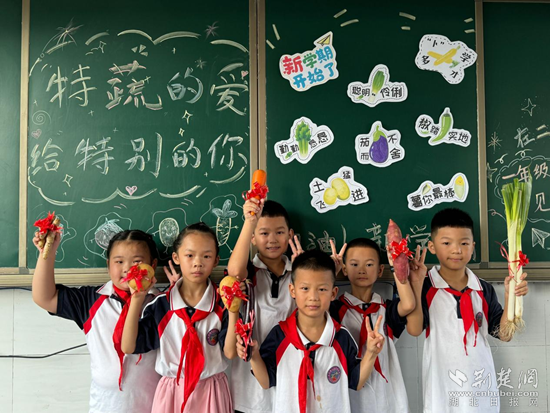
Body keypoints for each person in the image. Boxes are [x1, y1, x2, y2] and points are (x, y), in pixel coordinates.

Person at [405, 208, 529, 412]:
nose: (456, 250)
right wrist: (416, 285)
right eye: (447, 243)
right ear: (432, 247)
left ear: (473, 246)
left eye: (464, 243)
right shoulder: (425, 286)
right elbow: (415, 329)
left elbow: (505, 335)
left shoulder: (483, 289)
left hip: (481, 390)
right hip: (442, 393)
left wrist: (510, 296)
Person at [237, 249, 385, 413]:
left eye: (321, 289)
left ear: (333, 293)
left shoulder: (341, 337)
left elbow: (356, 382)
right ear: (292, 291)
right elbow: (266, 382)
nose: (313, 297)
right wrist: (254, 355)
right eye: (305, 288)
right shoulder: (280, 335)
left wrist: (371, 353)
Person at [32, 229, 161, 413]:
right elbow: (45, 298)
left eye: (137, 262)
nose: (127, 268)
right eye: (119, 261)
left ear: (152, 265)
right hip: (104, 407)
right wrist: (48, 253)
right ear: (108, 265)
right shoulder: (91, 300)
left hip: (153, 406)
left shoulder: (162, 303)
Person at [121, 222, 238, 413]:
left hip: (211, 390)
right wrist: (137, 298)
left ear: (216, 260)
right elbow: (128, 346)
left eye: (206, 256)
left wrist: (233, 309)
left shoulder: (222, 303)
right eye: (190, 255)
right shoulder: (161, 306)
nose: (198, 262)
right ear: (176, 257)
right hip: (172, 391)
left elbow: (231, 353)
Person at [330, 237, 419, 413]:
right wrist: (330, 272)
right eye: (354, 264)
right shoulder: (335, 309)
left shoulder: (386, 309)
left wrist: (398, 266)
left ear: (380, 270)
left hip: (387, 396)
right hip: (350, 396)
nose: (362, 270)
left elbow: (409, 304)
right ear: (344, 269)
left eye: (369, 264)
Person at [227, 199, 297, 413]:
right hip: (249, 390)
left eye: (279, 232)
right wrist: (250, 221)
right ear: (253, 238)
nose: (272, 240)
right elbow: (234, 272)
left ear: (290, 235)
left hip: (290, 380)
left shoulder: (300, 273)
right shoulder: (248, 273)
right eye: (264, 233)